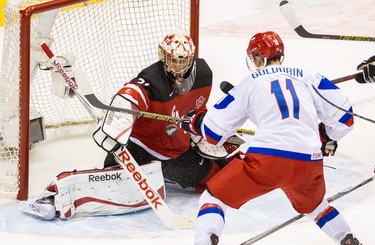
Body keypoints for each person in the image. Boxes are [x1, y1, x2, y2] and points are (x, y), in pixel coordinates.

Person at [27, 33, 243, 220]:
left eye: (182, 61)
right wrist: (116, 125)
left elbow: (197, 110)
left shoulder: (203, 75)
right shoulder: (151, 80)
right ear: (163, 55)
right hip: (139, 150)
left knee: (219, 179)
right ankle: (55, 197)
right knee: (112, 183)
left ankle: (168, 174)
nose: (177, 66)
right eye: (172, 60)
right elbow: (129, 96)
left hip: (178, 153)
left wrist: (201, 134)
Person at [181, 31, 363, 245]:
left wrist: (195, 122)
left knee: (214, 198)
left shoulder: (250, 83)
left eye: (254, 56)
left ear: (259, 56)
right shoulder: (308, 75)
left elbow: (213, 134)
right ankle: (349, 240)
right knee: (317, 207)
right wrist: (324, 135)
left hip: (268, 161)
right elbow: (346, 118)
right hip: (309, 162)